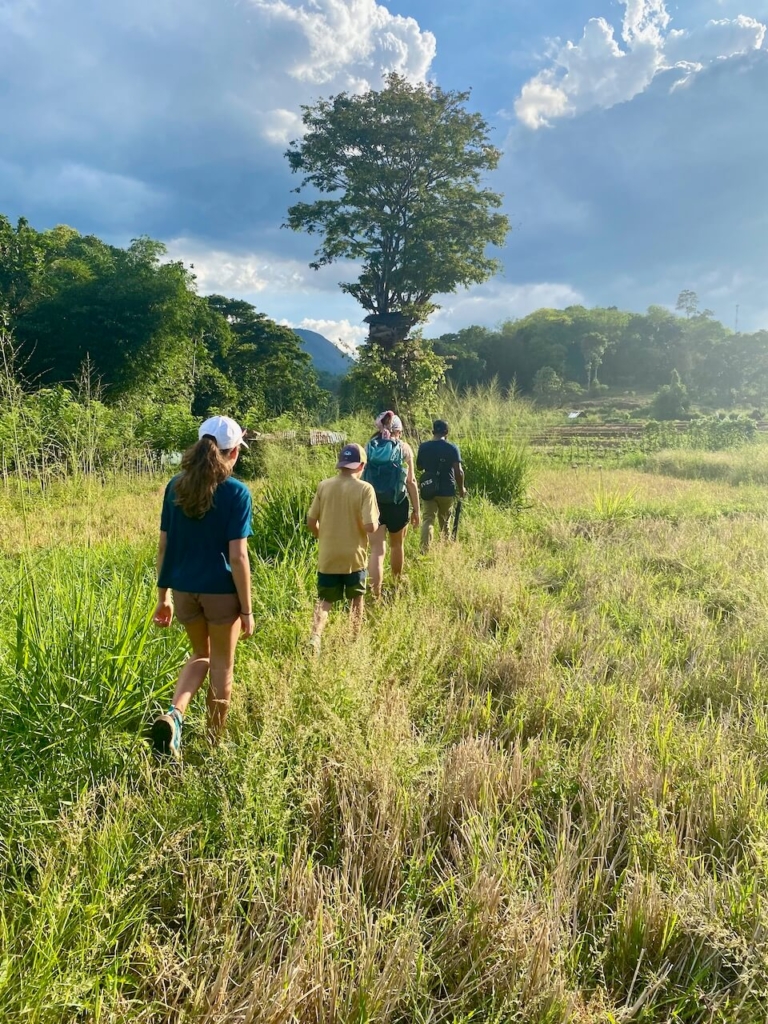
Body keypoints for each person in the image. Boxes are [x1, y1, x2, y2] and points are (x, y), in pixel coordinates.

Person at [151, 415, 254, 757]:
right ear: (234, 452)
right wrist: (247, 610)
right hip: (220, 593)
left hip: (182, 590)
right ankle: (214, 744)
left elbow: (164, 545)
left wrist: (163, 597)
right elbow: (238, 557)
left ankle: (175, 716)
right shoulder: (237, 493)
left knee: (201, 654)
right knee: (222, 663)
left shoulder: (175, 486)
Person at [306, 442, 379, 655]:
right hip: (354, 556)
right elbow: (370, 526)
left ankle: (315, 638)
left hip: (328, 555)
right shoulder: (365, 489)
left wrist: (324, 536)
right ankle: (353, 641)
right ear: (361, 465)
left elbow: (311, 521)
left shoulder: (324, 486)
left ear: (341, 464)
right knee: (356, 599)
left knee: (325, 600)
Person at [364, 411, 420, 598]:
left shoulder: (369, 447)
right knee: (397, 546)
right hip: (398, 502)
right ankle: (396, 583)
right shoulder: (404, 448)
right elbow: (411, 481)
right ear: (399, 431)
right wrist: (416, 510)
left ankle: (375, 595)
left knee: (377, 551)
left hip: (374, 504)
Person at [417, 418, 466, 553]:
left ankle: (424, 551)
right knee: (445, 521)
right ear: (447, 432)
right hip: (446, 490)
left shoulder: (423, 447)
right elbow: (459, 471)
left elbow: (419, 467)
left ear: (433, 431)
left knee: (428, 520)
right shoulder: (452, 448)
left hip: (429, 489)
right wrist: (461, 488)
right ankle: (446, 549)